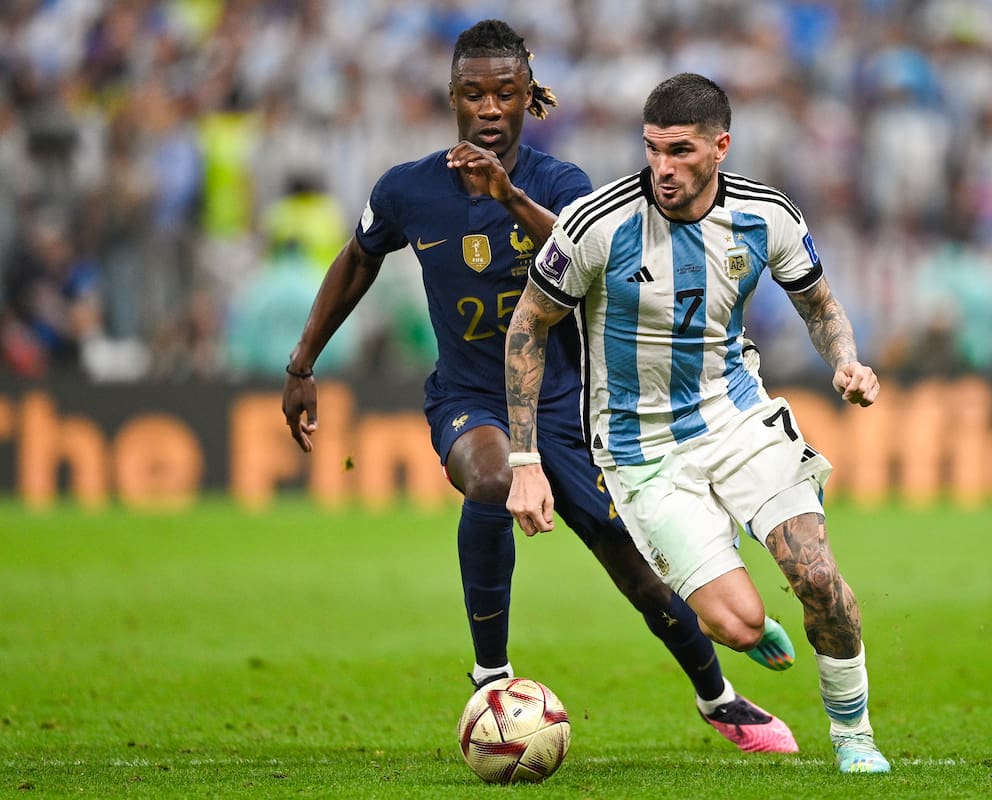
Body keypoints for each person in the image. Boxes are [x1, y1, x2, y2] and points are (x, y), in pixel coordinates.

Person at [281, 21, 797, 754]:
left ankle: (718, 697)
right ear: (452, 97)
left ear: (529, 97)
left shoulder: (560, 185)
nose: (488, 108)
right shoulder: (407, 189)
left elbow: (588, 257)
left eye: (504, 93)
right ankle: (492, 676)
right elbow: (358, 258)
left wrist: (508, 195)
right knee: (490, 480)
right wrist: (302, 364)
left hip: (570, 405)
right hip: (470, 398)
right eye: (472, 93)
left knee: (640, 565)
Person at [505, 72, 892, 774]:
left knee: (817, 575)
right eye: (652, 149)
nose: (662, 167)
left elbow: (820, 304)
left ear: (721, 147)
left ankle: (854, 735)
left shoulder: (767, 215)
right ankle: (751, 629)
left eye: (679, 150)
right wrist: (524, 459)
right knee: (734, 623)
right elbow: (529, 322)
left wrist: (846, 362)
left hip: (737, 416)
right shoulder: (598, 224)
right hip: (639, 447)